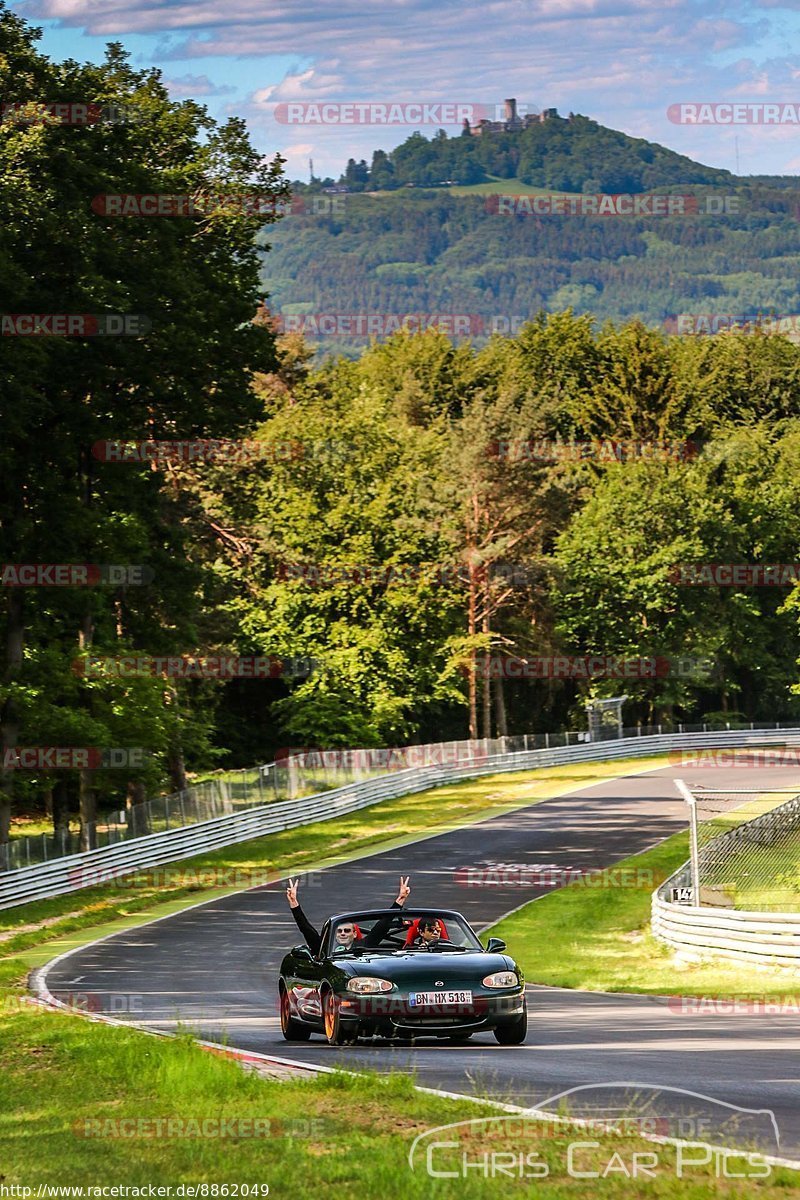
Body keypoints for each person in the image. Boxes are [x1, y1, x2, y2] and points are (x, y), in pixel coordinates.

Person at [286, 875, 411, 956]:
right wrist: (294, 904)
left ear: (354, 933)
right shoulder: (324, 949)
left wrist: (400, 900)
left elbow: (382, 925)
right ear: (335, 934)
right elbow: (306, 929)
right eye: (339, 931)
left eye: (346, 930)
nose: (343, 933)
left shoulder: (364, 945)